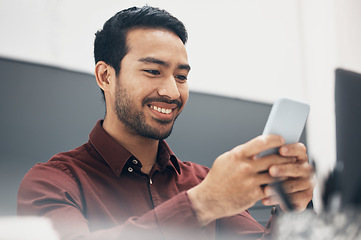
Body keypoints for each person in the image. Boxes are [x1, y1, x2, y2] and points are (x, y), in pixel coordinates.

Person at [17, 6, 314, 240]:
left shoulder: (202, 181)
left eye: (181, 77)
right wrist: (202, 204)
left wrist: (293, 209)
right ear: (106, 76)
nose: (172, 92)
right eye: (153, 71)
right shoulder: (52, 184)